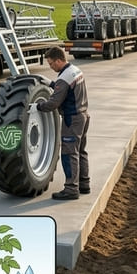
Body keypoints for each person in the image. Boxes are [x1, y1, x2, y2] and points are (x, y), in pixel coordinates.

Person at [36, 46, 90, 200]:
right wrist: (52, 84)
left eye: (51, 63)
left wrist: (38, 107)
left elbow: (54, 103)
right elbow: (67, 91)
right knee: (81, 151)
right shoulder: (75, 70)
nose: (50, 66)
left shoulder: (64, 77)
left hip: (71, 120)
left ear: (59, 60)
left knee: (69, 153)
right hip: (84, 115)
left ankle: (71, 189)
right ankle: (84, 184)